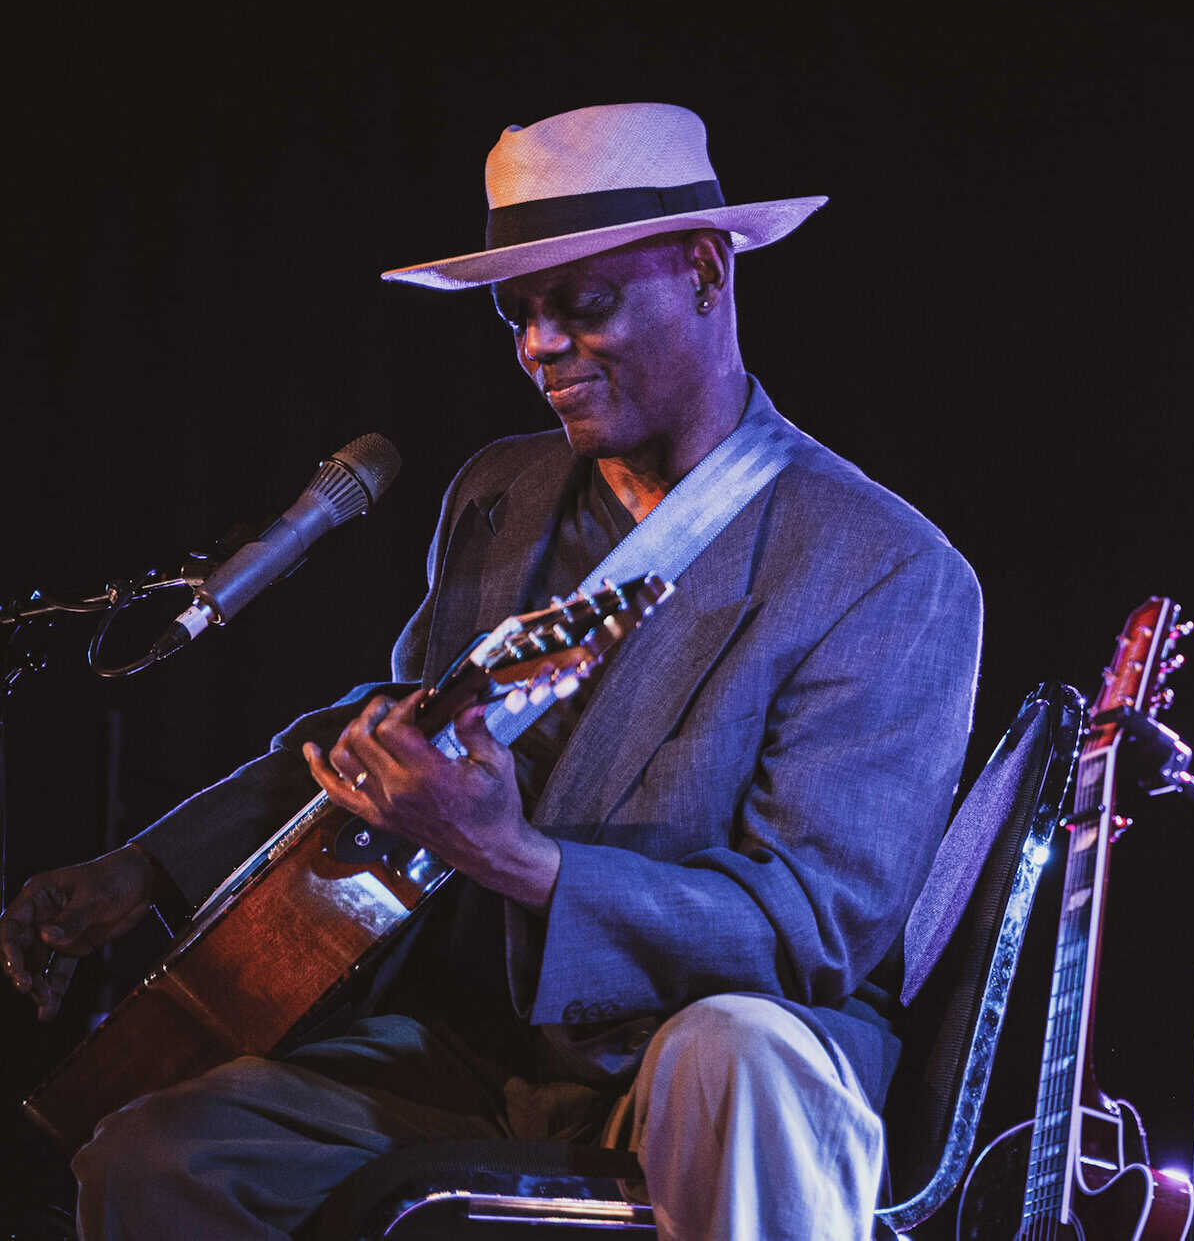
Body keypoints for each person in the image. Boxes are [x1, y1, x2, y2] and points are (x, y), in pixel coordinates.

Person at [0, 102, 984, 1240]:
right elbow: (394, 729)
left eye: (584, 305)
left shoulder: (884, 567)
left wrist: (517, 859)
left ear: (706, 271)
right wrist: (152, 866)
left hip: (690, 1064)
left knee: (738, 1051)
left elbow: (810, 929)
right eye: (519, 314)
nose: (538, 347)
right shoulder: (498, 495)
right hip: (470, 1049)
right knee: (155, 1156)